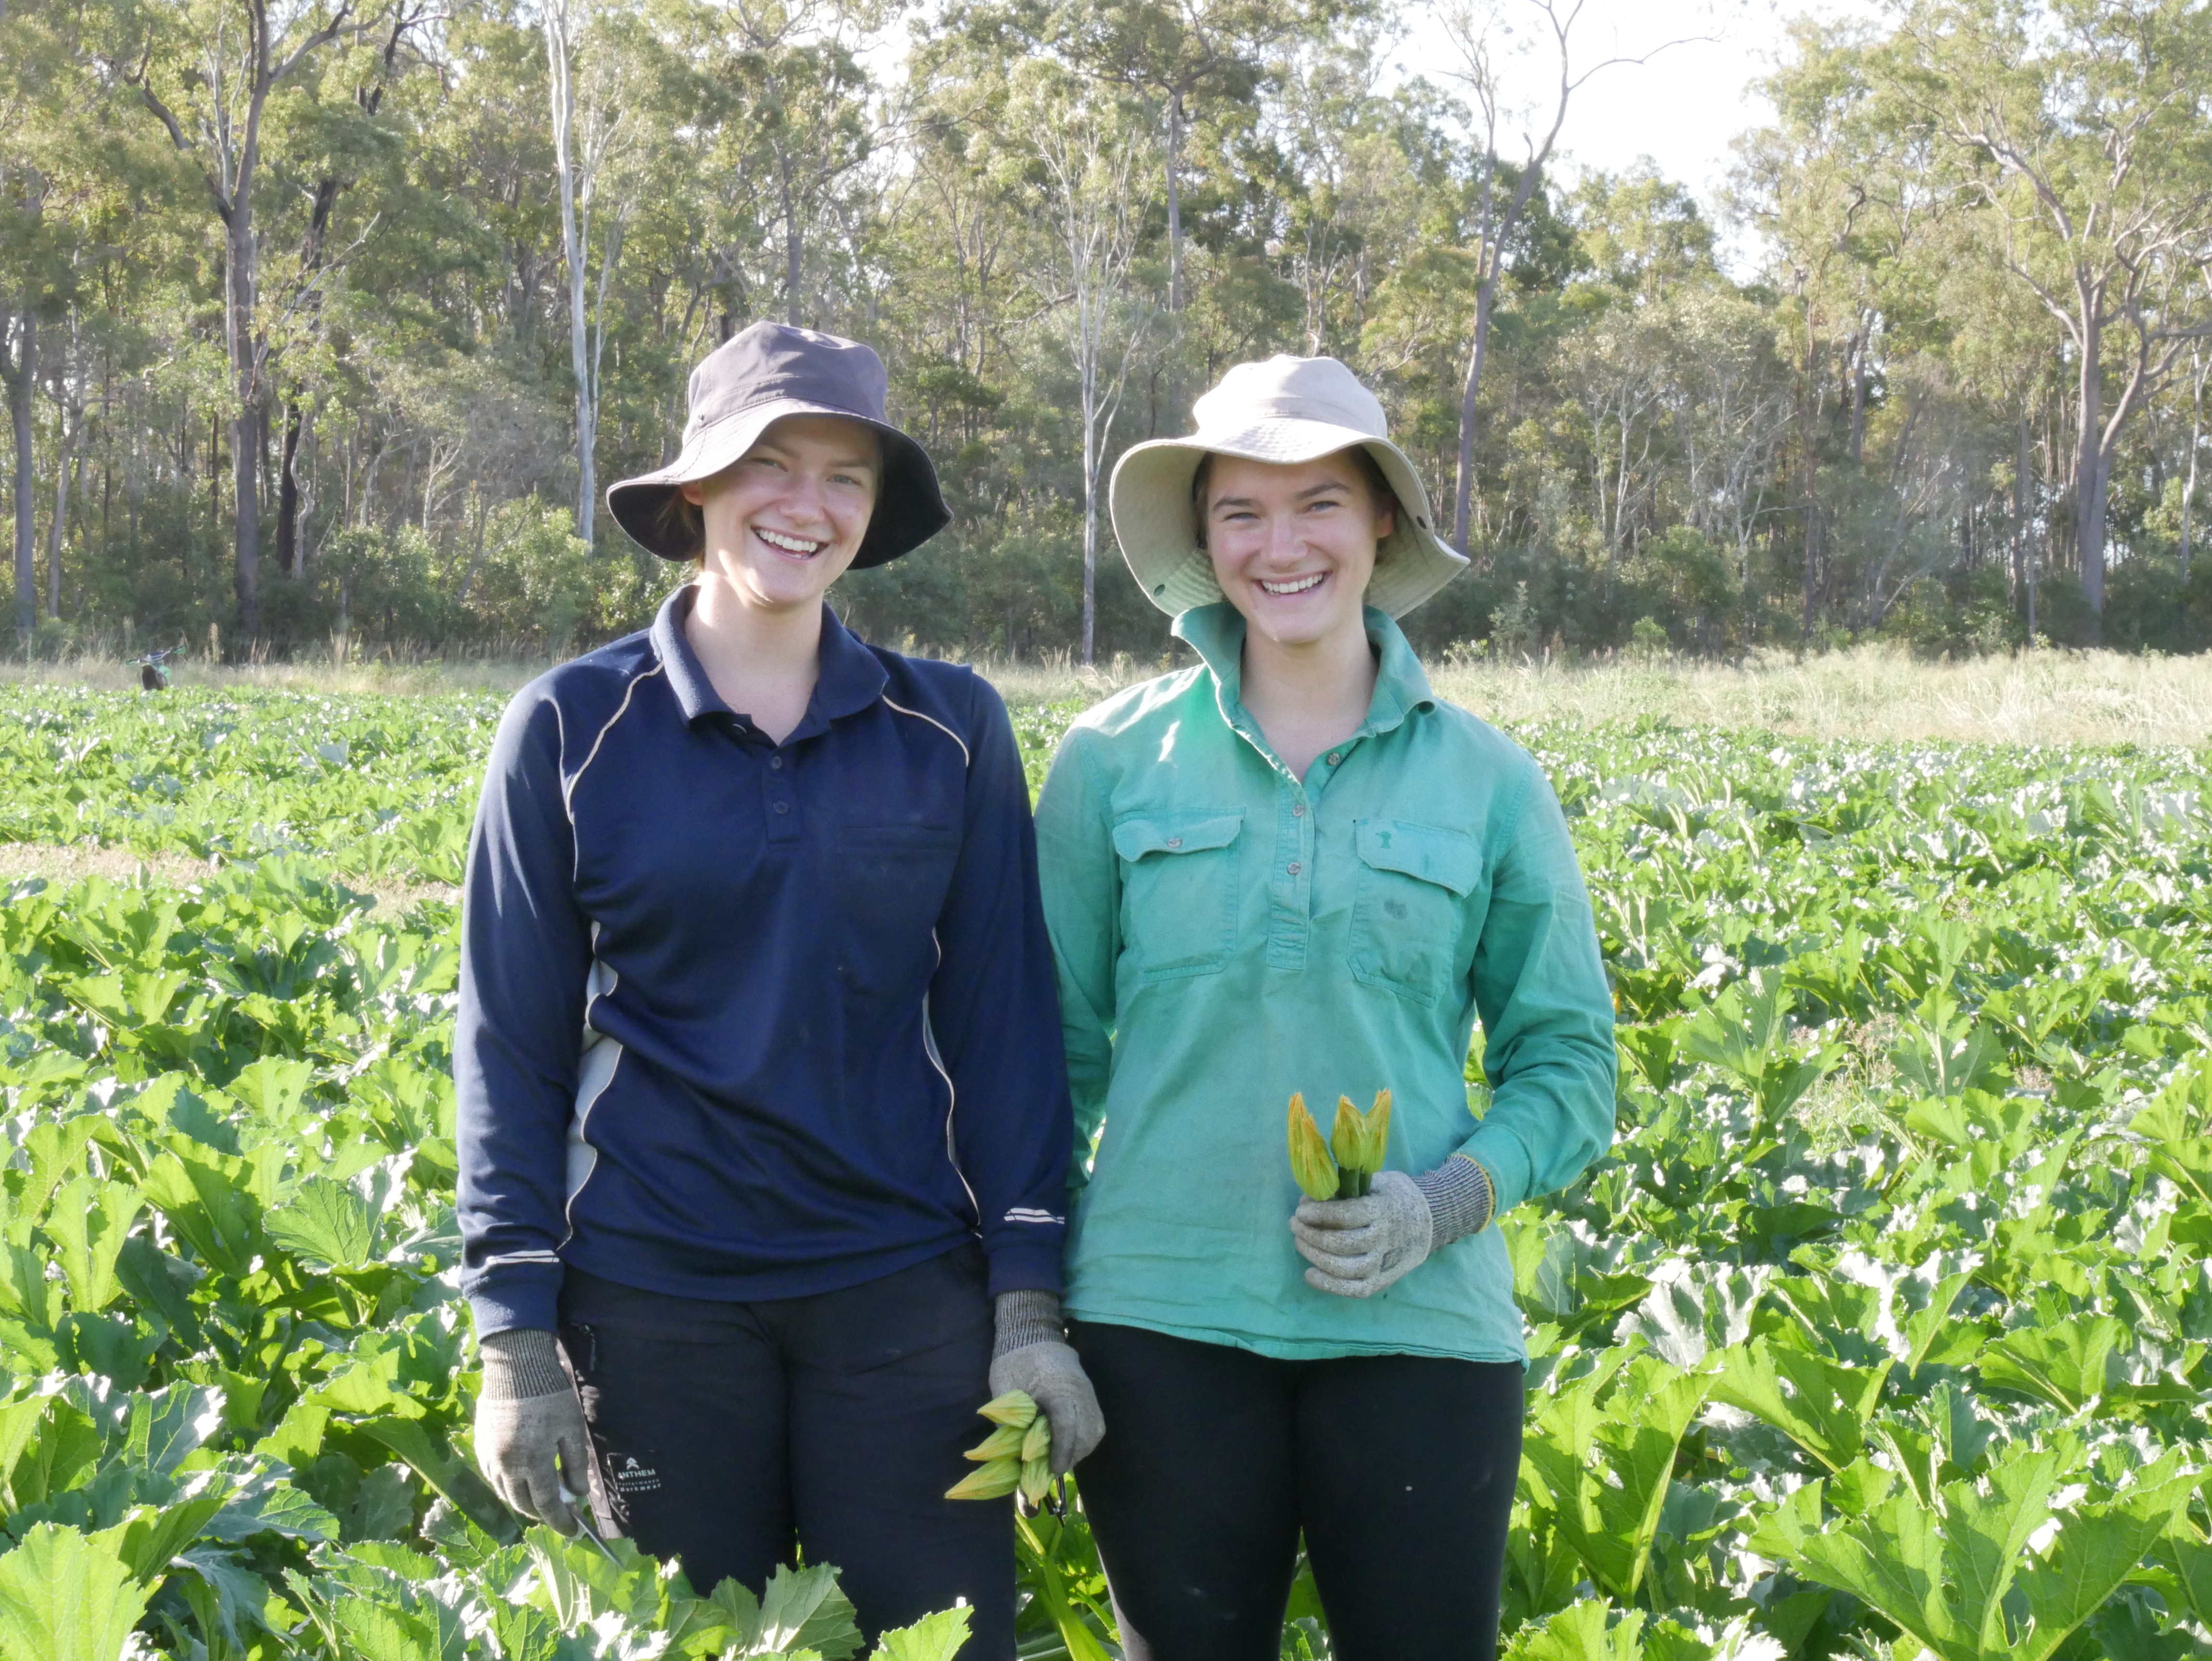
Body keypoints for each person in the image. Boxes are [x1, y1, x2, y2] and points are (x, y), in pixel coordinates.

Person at [456, 321, 1104, 1658]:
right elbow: (510, 1044)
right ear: (699, 486)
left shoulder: (950, 728)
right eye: (771, 463)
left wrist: (1029, 1303)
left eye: (846, 477)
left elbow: (1004, 1026)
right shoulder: (569, 728)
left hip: (905, 1290)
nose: (808, 505)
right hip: (650, 1297)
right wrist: (513, 1340)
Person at [1032, 354, 1616, 1661]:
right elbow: (1046, 1057)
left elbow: (1569, 1063)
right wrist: (1023, 1311)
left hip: (1423, 1328)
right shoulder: (1108, 760)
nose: (1281, 546)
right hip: (1156, 1314)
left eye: (1321, 506)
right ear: (1204, 539)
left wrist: (1442, 1203)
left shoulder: (1490, 779)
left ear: (1383, 523)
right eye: (1241, 512)